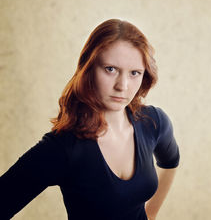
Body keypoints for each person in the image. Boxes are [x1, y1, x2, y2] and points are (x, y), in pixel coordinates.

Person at [0, 19, 180, 220]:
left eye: (134, 73)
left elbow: (171, 161)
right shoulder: (63, 148)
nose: (123, 85)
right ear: (89, 69)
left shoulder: (154, 122)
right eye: (110, 69)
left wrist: (152, 213)